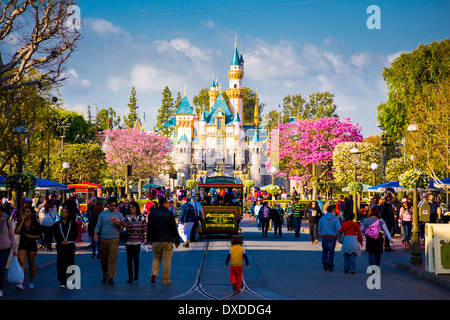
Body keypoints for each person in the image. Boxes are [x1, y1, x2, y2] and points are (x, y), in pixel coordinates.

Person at [147, 197, 180, 285]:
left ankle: (154, 273)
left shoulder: (152, 213)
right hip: (167, 239)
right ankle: (165, 280)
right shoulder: (169, 213)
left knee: (156, 257)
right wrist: (177, 240)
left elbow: (149, 227)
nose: (169, 204)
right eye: (168, 202)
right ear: (165, 203)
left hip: (155, 240)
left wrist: (149, 239)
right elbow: (174, 228)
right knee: (166, 260)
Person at [93, 196, 124, 285]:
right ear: (108, 205)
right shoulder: (102, 214)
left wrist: (118, 224)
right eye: (111, 205)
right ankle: (105, 275)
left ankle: (111, 277)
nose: (113, 207)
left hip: (114, 238)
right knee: (104, 258)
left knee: (112, 258)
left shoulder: (119, 214)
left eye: (115, 205)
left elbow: (122, 227)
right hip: (103, 238)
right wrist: (95, 234)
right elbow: (98, 225)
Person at [15, 204, 41, 289]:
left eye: (27, 212)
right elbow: (17, 231)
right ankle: (21, 282)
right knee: (21, 263)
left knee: (31, 264)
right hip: (22, 244)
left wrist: (31, 236)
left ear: (31, 213)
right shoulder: (20, 222)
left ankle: (31, 281)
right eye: (24, 212)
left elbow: (39, 235)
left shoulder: (35, 223)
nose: (25, 213)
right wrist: (22, 221)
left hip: (31, 244)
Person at [53, 205, 78, 288]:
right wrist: (61, 241)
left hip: (70, 245)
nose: (63, 213)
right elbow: (56, 235)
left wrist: (69, 241)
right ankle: (62, 281)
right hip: (61, 245)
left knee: (70, 262)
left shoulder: (72, 224)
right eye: (62, 212)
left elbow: (75, 234)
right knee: (60, 262)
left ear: (68, 214)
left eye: (65, 212)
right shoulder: (57, 224)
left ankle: (70, 279)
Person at [124, 201, 147, 283]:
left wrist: (145, 239)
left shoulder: (141, 218)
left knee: (136, 258)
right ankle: (130, 276)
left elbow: (144, 229)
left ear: (136, 208)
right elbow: (123, 226)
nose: (131, 209)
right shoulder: (126, 218)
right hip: (128, 241)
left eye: (133, 207)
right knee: (129, 259)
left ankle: (136, 274)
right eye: (130, 207)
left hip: (137, 240)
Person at [0, 204, 17, 297]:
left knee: (1, 268)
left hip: (5, 248)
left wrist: (14, 250)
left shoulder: (7, 221)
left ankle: (0, 288)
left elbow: (11, 236)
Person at [318, 205, 341, 271]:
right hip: (332, 236)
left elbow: (319, 228)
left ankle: (324, 261)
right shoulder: (336, 218)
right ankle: (330, 266)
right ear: (332, 210)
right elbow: (338, 228)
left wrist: (320, 235)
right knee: (331, 252)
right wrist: (338, 235)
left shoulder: (322, 218)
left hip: (325, 236)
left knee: (325, 250)